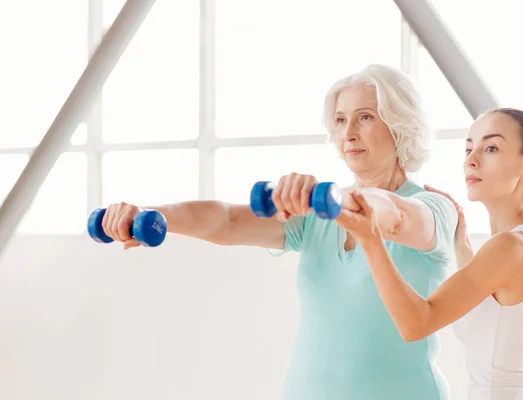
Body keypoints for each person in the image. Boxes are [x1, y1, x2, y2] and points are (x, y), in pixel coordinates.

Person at [100, 64, 458, 399]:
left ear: (400, 125)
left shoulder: (434, 209)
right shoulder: (318, 214)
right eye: (340, 120)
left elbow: (394, 215)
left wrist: (335, 199)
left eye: (364, 118)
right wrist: (150, 214)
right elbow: (226, 220)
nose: (347, 133)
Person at [336, 107, 523, 400]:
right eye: (468, 149)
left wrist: (371, 239)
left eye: (491, 148)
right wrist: (461, 243)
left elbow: (416, 324)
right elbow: (489, 305)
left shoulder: (511, 248)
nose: (471, 161)